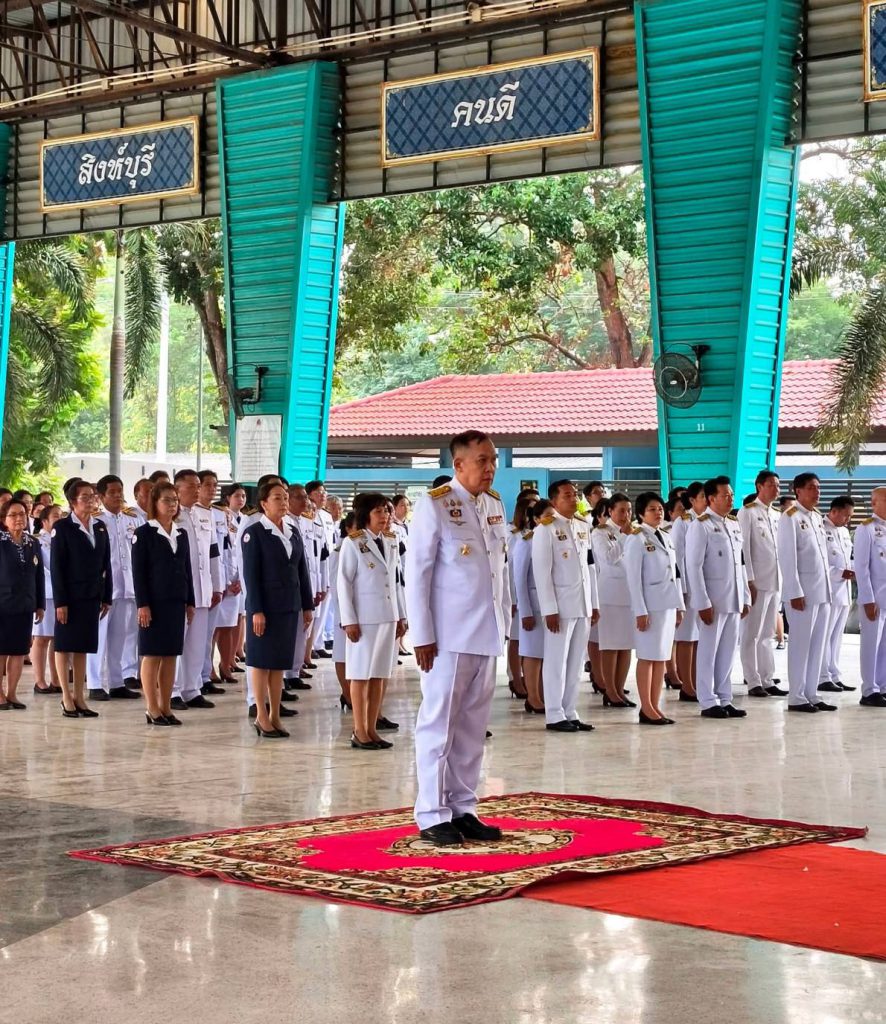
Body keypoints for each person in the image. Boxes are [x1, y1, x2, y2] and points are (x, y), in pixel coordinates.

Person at [406, 430, 510, 846]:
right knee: (438, 726)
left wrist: (505, 623)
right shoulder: (435, 505)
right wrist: (422, 634)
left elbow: (498, 573)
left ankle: (463, 807)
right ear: (459, 464)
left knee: (472, 728)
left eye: (493, 460)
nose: (490, 468)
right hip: (447, 637)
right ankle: (432, 813)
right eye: (483, 460)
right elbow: (418, 574)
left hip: (486, 631)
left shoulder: (493, 505)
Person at [241, 481, 314, 738]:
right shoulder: (254, 533)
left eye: (285, 497)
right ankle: (261, 715)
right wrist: (256, 610)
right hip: (266, 607)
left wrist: (307, 604)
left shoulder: (292, 530)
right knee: (262, 662)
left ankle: (274, 714)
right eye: (277, 498)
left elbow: (302, 570)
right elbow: (251, 576)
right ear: (264, 503)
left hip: (289, 605)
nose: (283, 502)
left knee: (278, 663)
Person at [337, 492, 406, 749]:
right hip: (364, 619)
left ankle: (372, 728)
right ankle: (359, 730)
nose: (384, 516)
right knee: (360, 675)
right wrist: (349, 620)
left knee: (379, 674)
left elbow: (396, 582)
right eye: (378, 511)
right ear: (366, 515)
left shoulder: (390, 540)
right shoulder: (353, 543)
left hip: (387, 616)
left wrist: (401, 615)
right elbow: (344, 584)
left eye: (386, 511)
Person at [532, 478, 599, 732]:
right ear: (554, 500)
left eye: (575, 494)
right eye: (567, 495)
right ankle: (554, 714)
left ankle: (570, 710)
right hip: (560, 606)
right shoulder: (546, 529)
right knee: (556, 661)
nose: (573, 499)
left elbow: (589, 568)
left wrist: (594, 603)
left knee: (575, 662)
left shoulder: (583, 525)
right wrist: (549, 608)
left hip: (582, 603)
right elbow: (542, 573)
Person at [685, 476, 750, 720]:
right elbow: (693, 566)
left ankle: (724, 697)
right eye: (725, 495)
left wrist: (745, 596)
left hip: (733, 598)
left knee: (727, 652)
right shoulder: (700, 525)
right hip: (713, 600)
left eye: (731, 495)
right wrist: (702, 602)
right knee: (708, 652)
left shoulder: (732, 524)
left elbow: (740, 563)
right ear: (711, 498)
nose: (730, 499)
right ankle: (707, 700)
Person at [131, 482, 196, 726]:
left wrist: (190, 601)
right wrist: (143, 604)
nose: (172, 504)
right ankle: (152, 707)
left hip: (176, 601)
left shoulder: (181, 533)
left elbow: (187, 569)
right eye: (167, 500)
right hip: (154, 602)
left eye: (175, 500)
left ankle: (166, 706)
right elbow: (139, 573)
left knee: (170, 655)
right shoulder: (144, 533)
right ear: (155, 503)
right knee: (152, 654)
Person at [52, 480, 112, 719]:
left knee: (83, 647)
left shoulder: (100, 526)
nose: (90, 500)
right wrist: (60, 602)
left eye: (92, 496)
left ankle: (79, 696)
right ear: (72, 501)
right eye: (85, 497)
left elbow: (106, 564)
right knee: (64, 645)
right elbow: (57, 567)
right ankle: (66, 697)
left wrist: (106, 595)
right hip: (70, 597)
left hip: (92, 595)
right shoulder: (62, 527)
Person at [776, 472, 834, 713]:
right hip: (803, 594)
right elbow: (787, 557)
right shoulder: (790, 517)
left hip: (822, 591)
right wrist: (794, 591)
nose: (816, 491)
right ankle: (796, 696)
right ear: (798, 491)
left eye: (818, 487)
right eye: (811, 487)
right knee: (800, 646)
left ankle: (812, 692)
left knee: (817, 645)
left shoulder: (817, 517)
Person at [624, 491, 684, 725]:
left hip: (667, 604)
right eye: (652, 509)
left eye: (660, 508)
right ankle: (646, 706)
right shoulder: (637, 538)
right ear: (641, 513)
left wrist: (679, 605)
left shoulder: (666, 536)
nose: (658, 512)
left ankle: (655, 705)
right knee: (647, 656)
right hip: (649, 606)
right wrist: (640, 610)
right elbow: (633, 578)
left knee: (661, 657)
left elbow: (674, 574)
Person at [86, 474, 142, 701]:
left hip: (127, 587)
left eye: (120, 491)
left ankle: (117, 682)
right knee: (98, 638)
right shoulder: (95, 521)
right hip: (105, 589)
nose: (118, 496)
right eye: (112, 492)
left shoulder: (133, 519)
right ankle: (95, 683)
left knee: (121, 637)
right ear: (101, 496)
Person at [170, 470, 223, 711]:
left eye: (198, 485)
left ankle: (191, 689)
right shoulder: (171, 517)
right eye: (191, 486)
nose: (197, 489)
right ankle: (172, 691)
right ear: (177, 489)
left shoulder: (204, 515)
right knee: (175, 642)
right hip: (180, 590)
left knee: (197, 642)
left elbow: (213, 553)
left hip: (202, 588)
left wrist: (217, 585)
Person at [737, 470, 787, 698]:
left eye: (778, 485)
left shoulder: (776, 515)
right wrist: (749, 580)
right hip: (757, 581)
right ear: (759, 486)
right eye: (771, 485)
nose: (776, 489)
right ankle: (753, 680)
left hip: (774, 579)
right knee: (752, 633)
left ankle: (767, 678)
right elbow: (744, 549)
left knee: (768, 632)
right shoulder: (747, 512)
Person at [591, 492, 635, 708]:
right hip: (609, 595)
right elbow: (608, 558)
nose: (626, 515)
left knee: (626, 645)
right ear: (610, 511)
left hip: (629, 594)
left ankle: (619, 688)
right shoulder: (600, 532)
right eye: (622, 511)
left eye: (629, 510)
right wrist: (625, 536)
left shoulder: (634, 531)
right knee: (610, 645)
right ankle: (609, 690)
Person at [0, 501, 45, 711]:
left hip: (25, 605)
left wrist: (40, 604)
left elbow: (39, 575)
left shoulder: (32, 542)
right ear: (4, 519)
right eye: (13, 515)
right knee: (1, 651)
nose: (19, 518)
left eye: (22, 514)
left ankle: (12, 693)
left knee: (18, 651)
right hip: (3, 604)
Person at [512, 499, 551, 714]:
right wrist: (525, 611)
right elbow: (519, 579)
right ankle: (533, 697)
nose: (552, 520)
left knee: (548, 654)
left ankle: (545, 696)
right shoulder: (527, 542)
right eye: (547, 516)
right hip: (533, 606)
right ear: (536, 519)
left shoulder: (555, 539)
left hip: (552, 607)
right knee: (533, 653)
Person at [670, 480, 707, 702]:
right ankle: (687, 686)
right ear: (692, 500)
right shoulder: (683, 522)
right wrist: (682, 590)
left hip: (704, 587)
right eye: (703, 497)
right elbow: (678, 558)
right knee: (686, 637)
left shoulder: (708, 521)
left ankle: (696, 682)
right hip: (688, 588)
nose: (706, 501)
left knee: (699, 638)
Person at [850, 487, 886, 708]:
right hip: (875, 598)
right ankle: (869, 690)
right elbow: (861, 568)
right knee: (871, 645)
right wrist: (867, 599)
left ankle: (883, 686)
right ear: (874, 503)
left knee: (885, 647)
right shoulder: (866, 529)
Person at [820, 495, 856, 694]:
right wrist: (840, 573)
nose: (848, 520)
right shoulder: (821, 529)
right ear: (834, 511)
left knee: (837, 637)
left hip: (844, 591)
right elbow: (820, 562)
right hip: (829, 590)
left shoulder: (843, 532)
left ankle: (834, 674)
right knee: (824, 636)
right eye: (845, 516)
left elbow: (847, 558)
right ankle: (822, 675)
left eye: (850, 516)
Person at [506, 492, 537, 699]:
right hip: (517, 596)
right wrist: (512, 599)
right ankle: (516, 679)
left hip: (533, 595)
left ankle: (528, 677)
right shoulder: (514, 535)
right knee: (516, 639)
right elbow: (510, 570)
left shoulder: (537, 534)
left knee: (530, 641)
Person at [215, 483, 247, 682]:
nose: (241, 499)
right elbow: (218, 554)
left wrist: (240, 580)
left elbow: (241, 554)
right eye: (237, 496)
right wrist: (226, 582)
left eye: (243, 496)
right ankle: (210, 670)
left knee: (230, 625)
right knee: (215, 629)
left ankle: (227, 664)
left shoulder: (242, 520)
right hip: (222, 582)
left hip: (236, 581)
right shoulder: (217, 519)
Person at [31, 505, 63, 695]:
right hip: (46, 593)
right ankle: (39, 680)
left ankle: (56, 679)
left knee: (57, 638)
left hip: (61, 594)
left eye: (61, 516)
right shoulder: (37, 541)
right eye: (55, 516)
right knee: (42, 638)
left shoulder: (61, 538)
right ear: (44, 521)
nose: (60, 519)